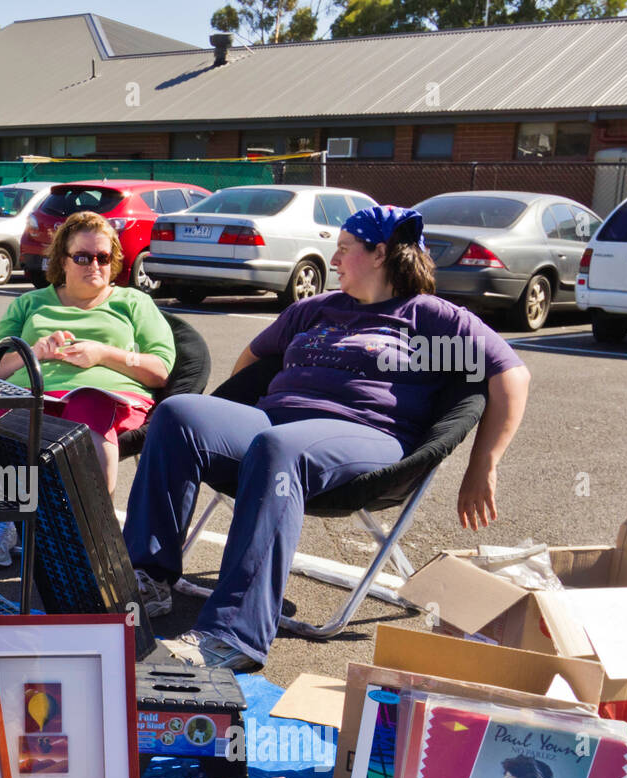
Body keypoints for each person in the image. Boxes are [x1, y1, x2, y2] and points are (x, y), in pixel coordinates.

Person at [125, 205, 530, 670]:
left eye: (343, 249)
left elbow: (510, 376)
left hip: (368, 436)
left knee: (280, 448)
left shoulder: (428, 318)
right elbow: (252, 362)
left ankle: (234, 636)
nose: (332, 260)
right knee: (179, 413)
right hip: (274, 426)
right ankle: (148, 576)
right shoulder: (314, 309)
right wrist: (230, 421)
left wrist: (485, 464)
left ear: (379, 253)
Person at [0, 210, 176, 563]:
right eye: (82, 257)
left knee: (87, 405)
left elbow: (160, 368)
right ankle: (6, 517)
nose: (94, 265)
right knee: (3, 409)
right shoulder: (30, 303)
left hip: (107, 400)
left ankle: (93, 528)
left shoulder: (133, 303)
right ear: (62, 260)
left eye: (103, 257)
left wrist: (102, 354)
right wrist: (35, 352)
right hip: (33, 395)